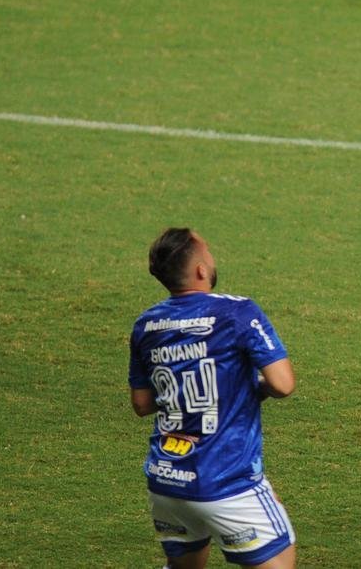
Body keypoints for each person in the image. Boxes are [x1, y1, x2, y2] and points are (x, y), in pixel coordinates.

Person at [129, 228, 297, 569]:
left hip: (167, 480)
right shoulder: (237, 312)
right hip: (225, 482)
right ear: (201, 270)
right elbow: (283, 384)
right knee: (282, 555)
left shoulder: (145, 325)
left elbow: (142, 404)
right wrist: (250, 386)